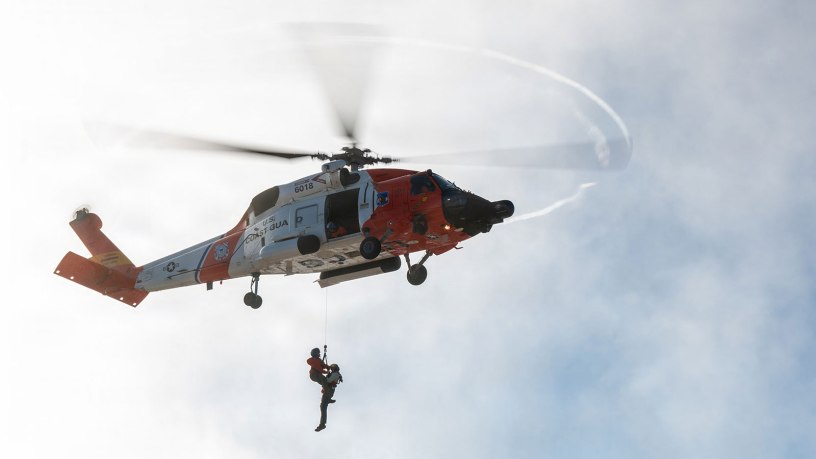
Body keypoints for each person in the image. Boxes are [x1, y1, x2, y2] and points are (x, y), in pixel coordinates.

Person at [315, 363, 343, 432]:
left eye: (332, 368)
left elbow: (328, 381)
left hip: (329, 391)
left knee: (323, 406)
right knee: (323, 406)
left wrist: (323, 377)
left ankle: (322, 424)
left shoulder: (336, 374)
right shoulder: (335, 374)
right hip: (329, 391)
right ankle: (329, 400)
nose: (331, 369)